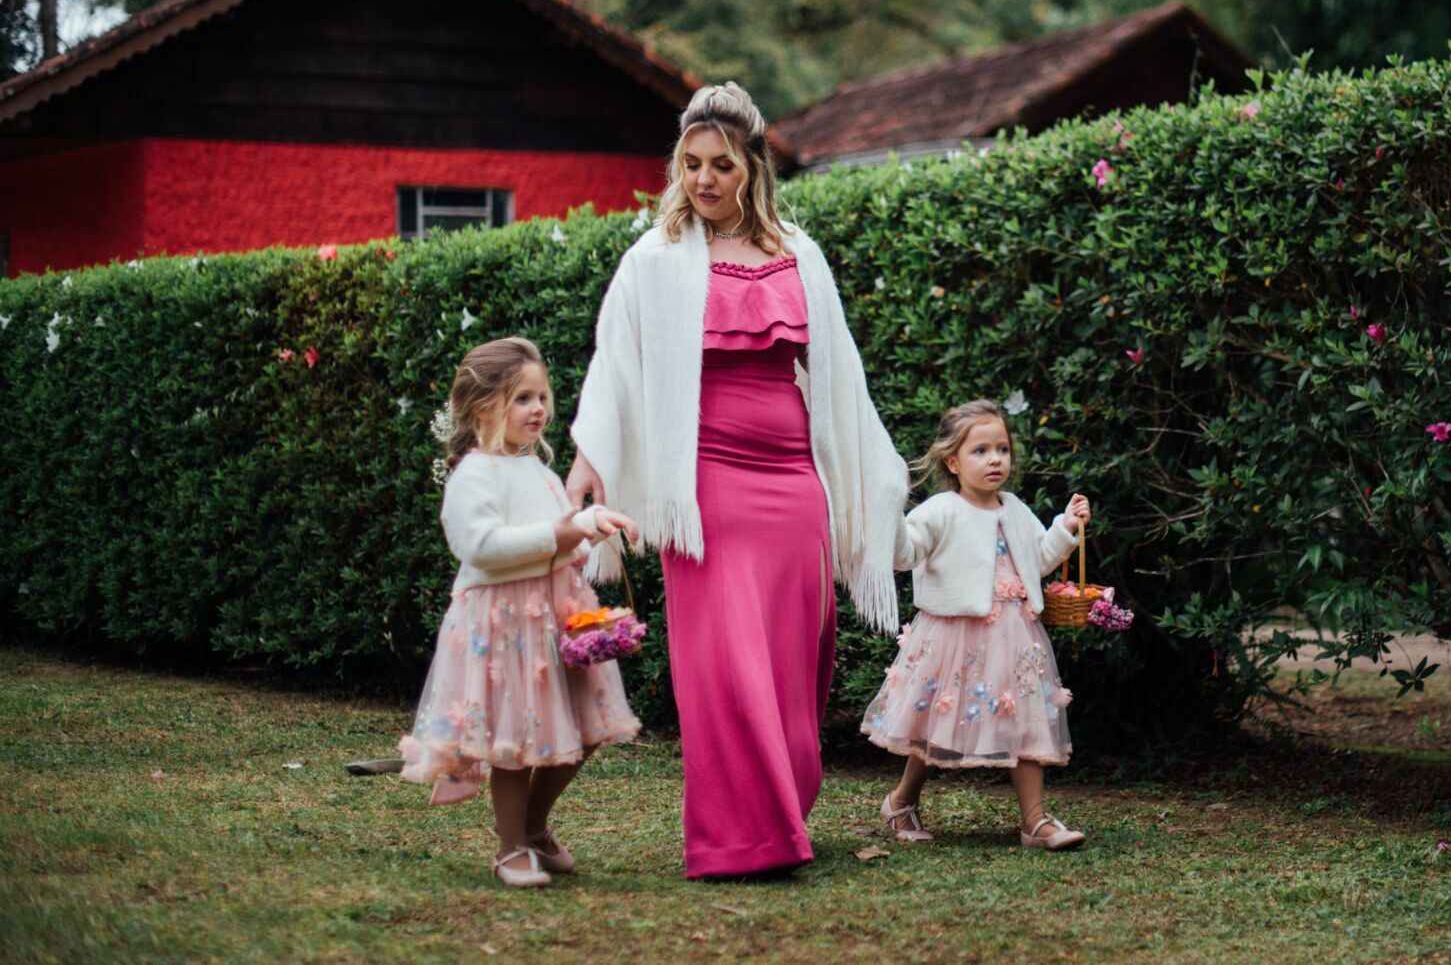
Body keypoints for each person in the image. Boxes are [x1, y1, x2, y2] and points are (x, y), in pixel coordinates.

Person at [569, 81, 908, 879]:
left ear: (752, 167)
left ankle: (780, 815)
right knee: (723, 666)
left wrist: (876, 488)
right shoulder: (652, 260)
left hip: (794, 489)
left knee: (794, 669)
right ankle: (736, 839)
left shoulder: (801, 253)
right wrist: (590, 460)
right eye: (690, 165)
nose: (704, 180)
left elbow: (843, 382)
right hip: (703, 492)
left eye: (721, 165)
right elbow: (614, 367)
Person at [398, 336, 641, 888]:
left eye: (541, 397)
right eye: (522, 399)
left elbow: (565, 541)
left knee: (586, 726)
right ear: (485, 407)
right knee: (514, 741)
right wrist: (560, 533)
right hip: (502, 624)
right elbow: (480, 546)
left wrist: (591, 527)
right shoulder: (474, 474)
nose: (538, 409)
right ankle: (510, 847)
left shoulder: (539, 470)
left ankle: (534, 825)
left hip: (556, 616)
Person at [861, 399, 1090, 850]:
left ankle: (1035, 820)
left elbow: (1038, 560)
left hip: (1014, 635)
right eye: (980, 451)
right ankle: (902, 800)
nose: (995, 460)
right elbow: (904, 555)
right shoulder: (939, 510)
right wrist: (889, 511)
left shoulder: (1015, 509)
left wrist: (1065, 527)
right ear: (953, 460)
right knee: (932, 724)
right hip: (953, 637)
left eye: (1002, 449)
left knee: (1025, 720)